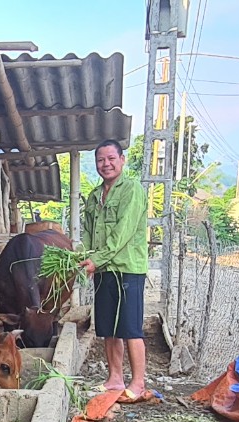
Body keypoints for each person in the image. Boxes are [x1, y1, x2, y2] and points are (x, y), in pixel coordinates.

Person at [80, 139, 150, 401]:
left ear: (122, 160)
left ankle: (139, 383)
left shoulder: (132, 190)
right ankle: (115, 379)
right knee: (108, 328)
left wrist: (97, 260)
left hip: (127, 269)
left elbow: (122, 233)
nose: (105, 164)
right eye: (100, 160)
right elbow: (87, 232)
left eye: (111, 158)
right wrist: (82, 256)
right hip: (103, 270)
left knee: (130, 328)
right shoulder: (94, 196)